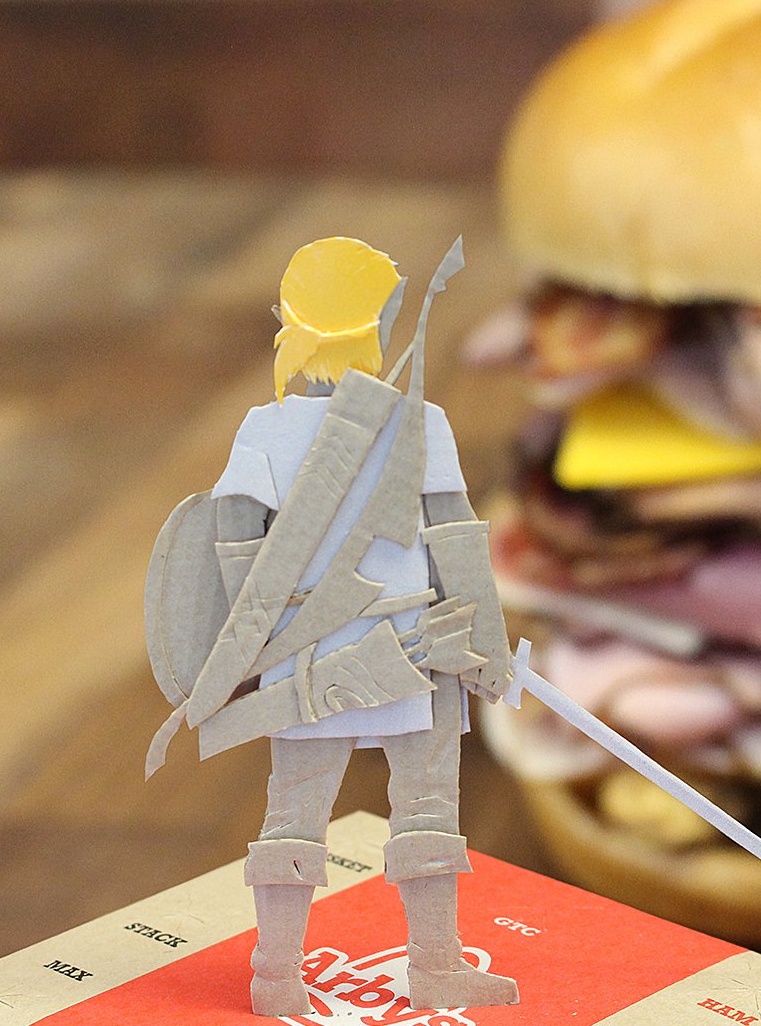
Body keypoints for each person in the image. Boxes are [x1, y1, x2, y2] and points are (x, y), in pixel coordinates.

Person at [146, 237, 517, 1017]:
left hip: (327, 660)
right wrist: (484, 647)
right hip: (396, 653)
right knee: (410, 812)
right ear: (376, 327)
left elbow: (238, 553)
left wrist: (259, 645)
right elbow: (454, 540)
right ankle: (381, 970)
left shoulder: (269, 429)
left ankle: (296, 975)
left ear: (292, 325)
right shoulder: (416, 422)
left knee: (318, 814)